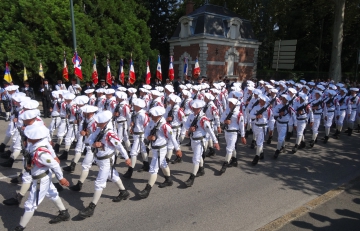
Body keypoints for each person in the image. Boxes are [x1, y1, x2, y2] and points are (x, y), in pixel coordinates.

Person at [13, 125, 70, 231]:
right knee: (52, 193)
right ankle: (64, 213)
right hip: (41, 176)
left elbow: (55, 165)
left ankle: (20, 227)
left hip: (41, 179)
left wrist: (61, 178)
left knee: (32, 203)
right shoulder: (34, 145)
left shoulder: (41, 153)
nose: (26, 137)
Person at [79, 110, 131, 218]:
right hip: (99, 159)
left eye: (99, 122)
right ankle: (123, 191)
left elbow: (119, 146)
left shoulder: (110, 133)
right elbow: (89, 141)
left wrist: (126, 157)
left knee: (99, 183)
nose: (96, 123)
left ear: (105, 122)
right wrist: (94, 144)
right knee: (112, 175)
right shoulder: (98, 130)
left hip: (106, 160)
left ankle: (91, 207)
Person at [138, 106, 182, 198]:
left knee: (153, 168)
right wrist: (148, 137)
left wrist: (177, 149)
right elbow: (146, 132)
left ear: (158, 115)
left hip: (161, 149)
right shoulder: (152, 122)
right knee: (163, 164)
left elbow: (172, 138)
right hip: (154, 148)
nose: (151, 116)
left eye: (153, 115)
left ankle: (147, 189)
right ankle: (168, 180)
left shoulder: (165, 126)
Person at [183, 99, 220, 187]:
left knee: (195, 159)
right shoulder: (191, 116)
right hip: (193, 139)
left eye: (196, 108)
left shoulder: (203, 119)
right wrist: (190, 129)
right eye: (193, 107)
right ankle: (201, 169)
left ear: (199, 108)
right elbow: (186, 124)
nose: (193, 109)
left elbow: (210, 132)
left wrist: (216, 142)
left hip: (200, 141)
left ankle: (192, 178)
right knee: (198, 156)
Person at [123, 99, 150, 178]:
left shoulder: (142, 115)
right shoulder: (135, 113)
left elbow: (146, 126)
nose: (133, 106)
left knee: (133, 152)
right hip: (136, 134)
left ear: (138, 106)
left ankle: (130, 171)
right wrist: (132, 127)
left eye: (135, 105)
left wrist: (145, 137)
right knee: (143, 150)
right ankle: (146, 165)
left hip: (140, 135)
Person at [220, 98, 246, 174]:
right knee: (231, 147)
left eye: (231, 103)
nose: (229, 104)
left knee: (229, 149)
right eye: (229, 103)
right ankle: (234, 160)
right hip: (226, 131)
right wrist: (225, 121)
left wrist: (243, 136)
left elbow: (241, 126)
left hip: (234, 133)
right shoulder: (227, 111)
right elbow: (221, 119)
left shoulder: (239, 114)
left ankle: (225, 164)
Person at [249, 94, 272, 165]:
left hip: (263, 127)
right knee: (259, 142)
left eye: (262, 100)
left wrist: (271, 129)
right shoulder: (256, 107)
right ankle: (261, 153)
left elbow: (271, 120)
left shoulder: (268, 110)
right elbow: (250, 115)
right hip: (256, 126)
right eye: (260, 100)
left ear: (265, 102)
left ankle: (256, 157)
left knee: (259, 142)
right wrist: (256, 116)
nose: (260, 101)